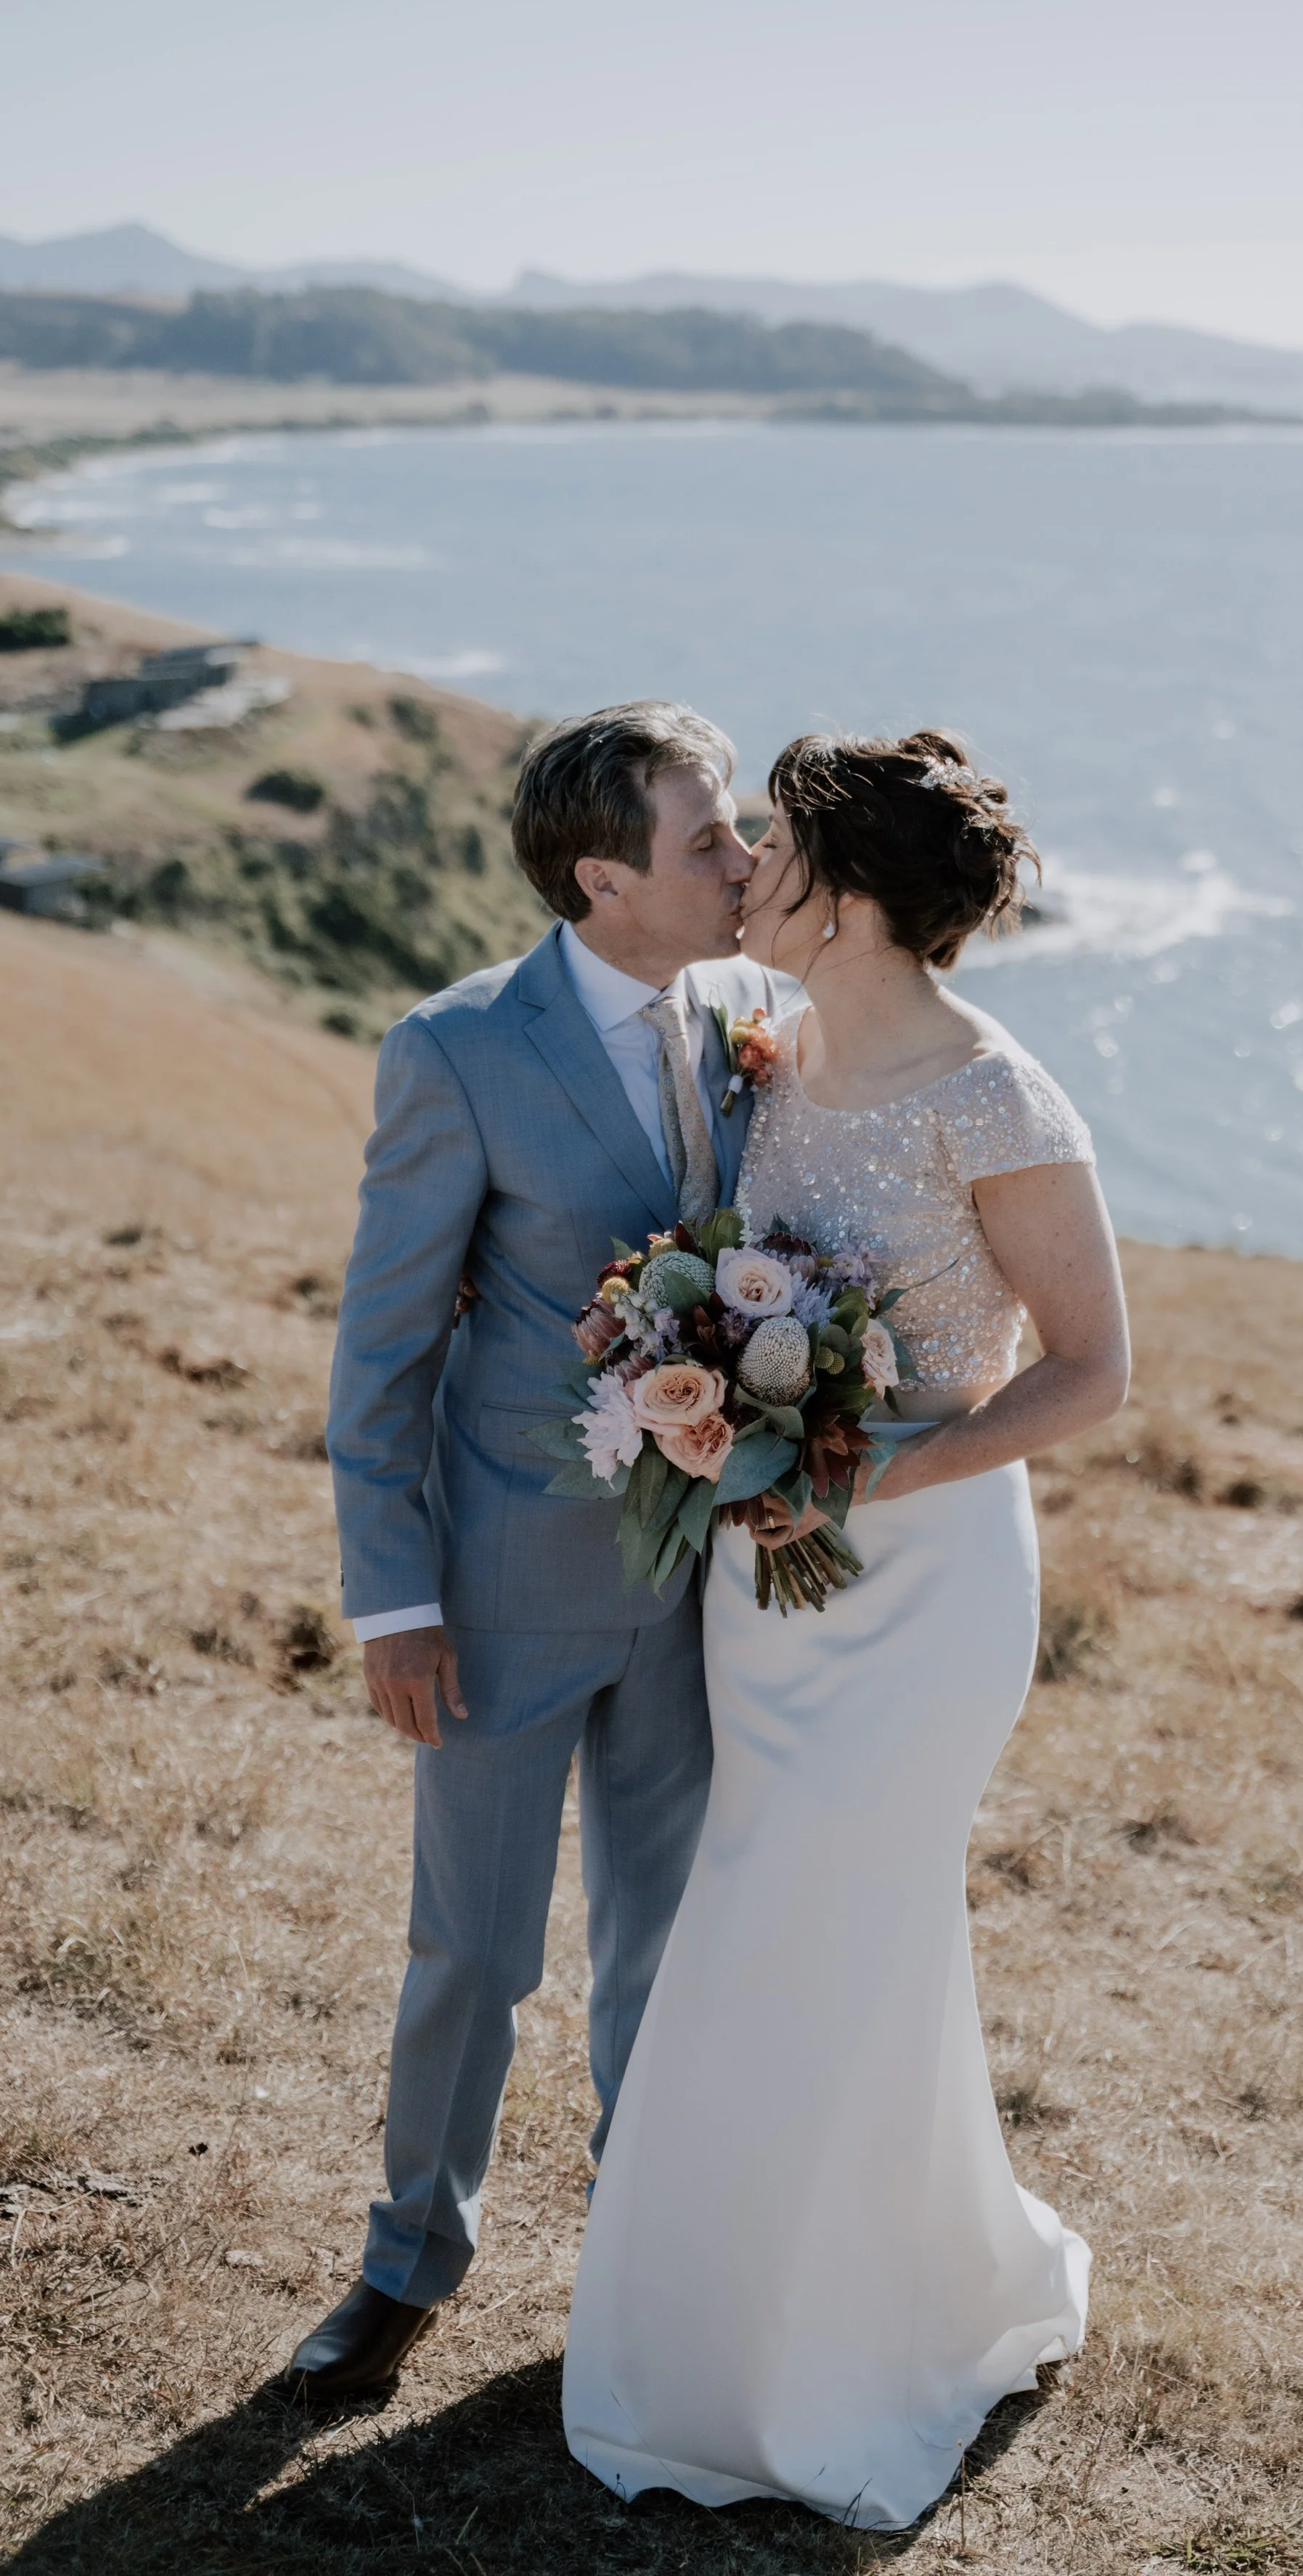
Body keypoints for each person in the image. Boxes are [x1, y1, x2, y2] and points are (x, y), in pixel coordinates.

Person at [563, 728, 1131, 2529]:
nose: (743, 875)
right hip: (764, 1576)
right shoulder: (769, 1046)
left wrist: (870, 1483)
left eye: (775, 851)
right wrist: (700, 1402)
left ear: (857, 895)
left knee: (843, 1928)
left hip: (926, 1580)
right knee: (766, 1921)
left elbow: (1096, 1375)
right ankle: (728, 2333)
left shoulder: (996, 1097)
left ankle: (838, 2354)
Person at [288, 701, 785, 2401]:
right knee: (476, 1955)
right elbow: (383, 1348)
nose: (746, 859)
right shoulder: (458, 1050)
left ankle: (637, 2270)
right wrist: (397, 1604)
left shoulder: (744, 1018)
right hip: (499, 1586)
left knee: (661, 1945)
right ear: (602, 878)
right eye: (711, 837)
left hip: (690, 1588)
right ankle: (406, 2264)